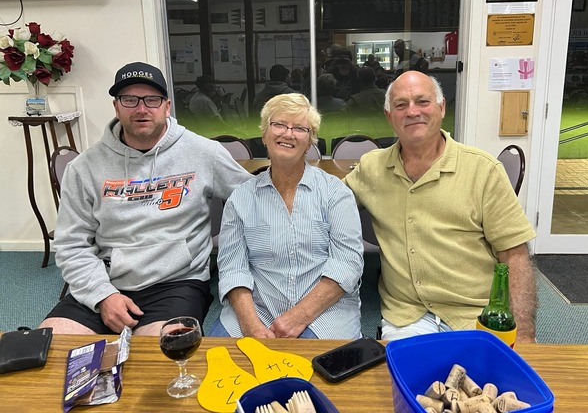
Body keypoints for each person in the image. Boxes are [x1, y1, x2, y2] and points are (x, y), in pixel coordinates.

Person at [39, 62, 252, 336]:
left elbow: (253, 198)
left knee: (162, 352)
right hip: (107, 280)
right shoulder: (84, 168)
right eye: (130, 99)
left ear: (167, 106)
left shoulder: (204, 152)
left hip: (177, 282)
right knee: (49, 346)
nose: (141, 109)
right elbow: (71, 244)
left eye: (152, 99)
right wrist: (103, 295)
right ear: (116, 107)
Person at [343, 71, 537, 343]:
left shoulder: (483, 170)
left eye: (422, 101)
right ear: (389, 116)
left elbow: (514, 254)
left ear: (442, 107)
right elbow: (328, 204)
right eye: (401, 105)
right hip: (407, 315)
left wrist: (524, 334)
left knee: (479, 371)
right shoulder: (371, 168)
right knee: (410, 370)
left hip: (474, 313)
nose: (412, 112)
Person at [209, 93, 364, 339]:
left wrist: (297, 317)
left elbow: (347, 263)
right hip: (256, 311)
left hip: (324, 311)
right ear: (264, 135)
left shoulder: (335, 193)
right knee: (217, 362)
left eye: (300, 128)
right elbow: (232, 268)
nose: (288, 134)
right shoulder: (241, 199)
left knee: (316, 365)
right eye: (279, 124)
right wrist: (251, 326)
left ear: (310, 141)